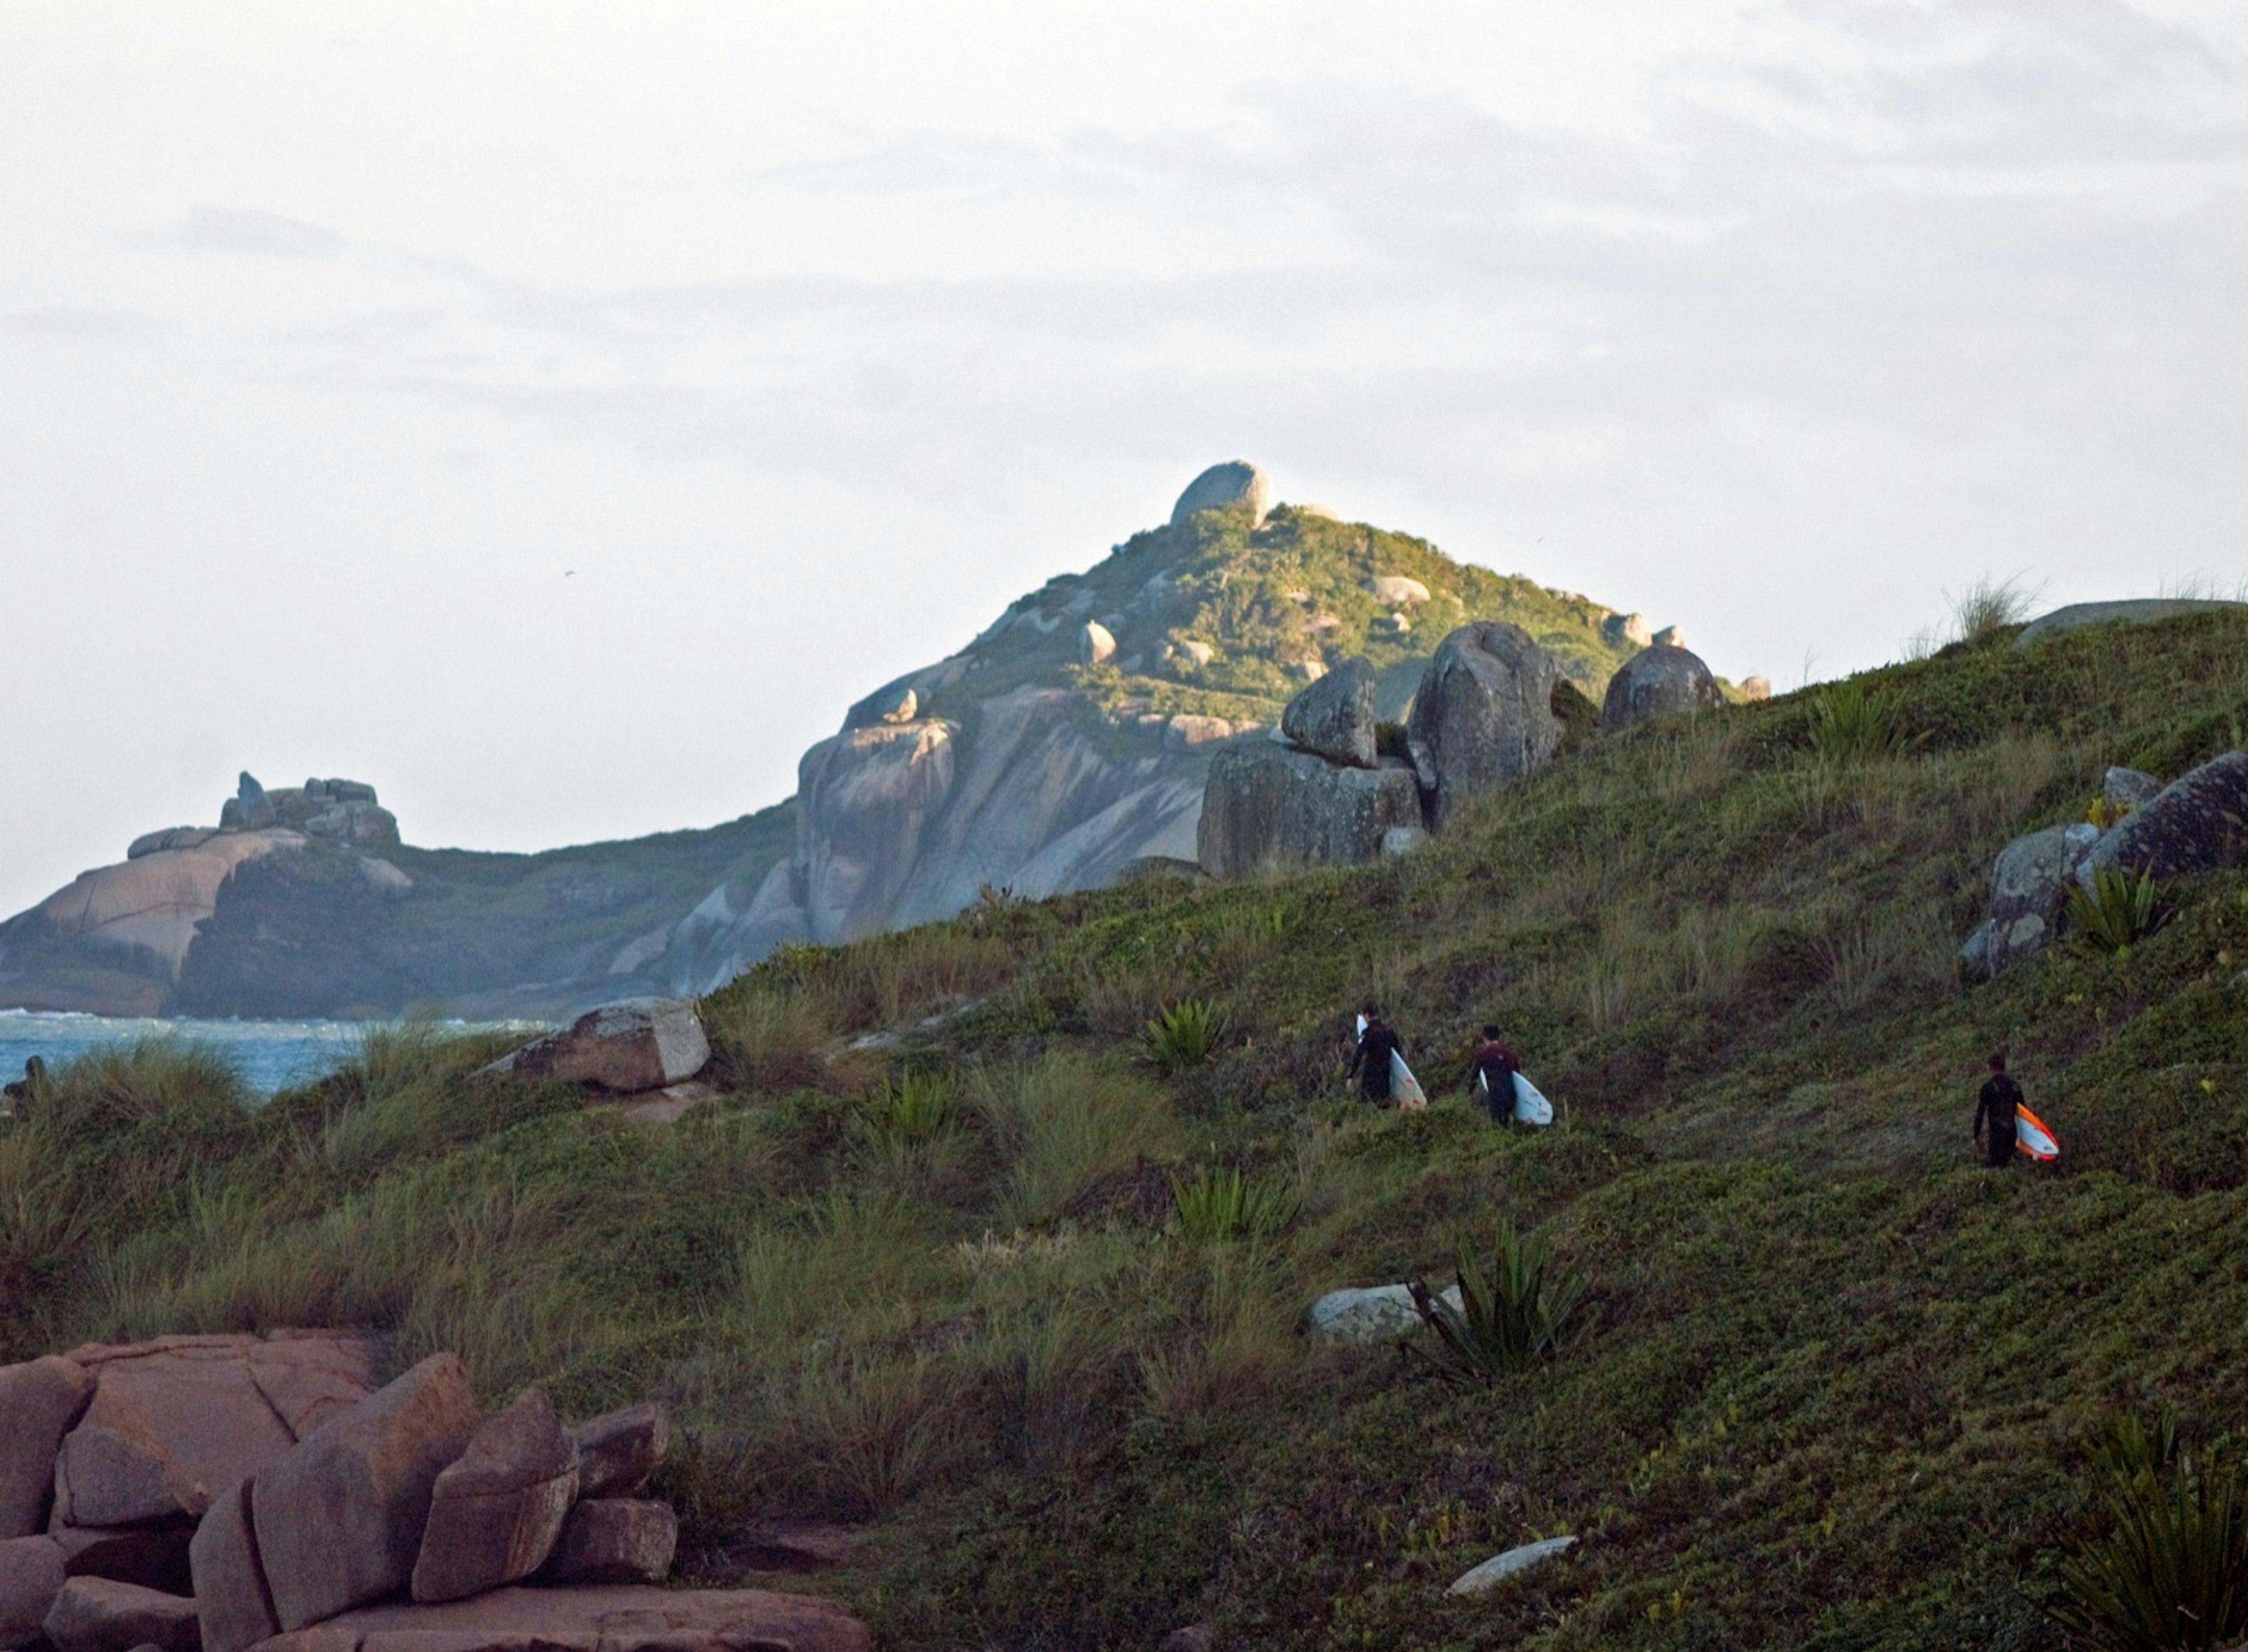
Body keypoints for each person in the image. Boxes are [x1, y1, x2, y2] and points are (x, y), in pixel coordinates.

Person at [1347, 1003, 1404, 1106]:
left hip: (1371, 1077)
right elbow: (1398, 1052)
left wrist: (1351, 1076)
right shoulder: (1389, 1030)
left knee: (1367, 1105)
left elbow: (1359, 1055)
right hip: (1385, 1075)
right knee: (1383, 1104)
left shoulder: (1369, 1033)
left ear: (1367, 1015)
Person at [1973, 1051, 2022, 1168]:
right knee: (2011, 1166)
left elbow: (1980, 1113)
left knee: (1995, 1166)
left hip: (1997, 1134)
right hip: (2013, 1133)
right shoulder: (2014, 1086)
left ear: (1990, 1067)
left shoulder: (1988, 1088)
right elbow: (2023, 1112)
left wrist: (1976, 1136)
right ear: (2004, 1067)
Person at [1466, 1026, 1522, 1122]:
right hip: (1511, 1095)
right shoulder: (1510, 1055)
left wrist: (1469, 1093)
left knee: (1498, 1126)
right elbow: (1518, 1076)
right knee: (1507, 1122)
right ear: (1498, 1037)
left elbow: (1473, 1078)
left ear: (1485, 1038)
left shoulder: (1482, 1055)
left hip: (1495, 1097)